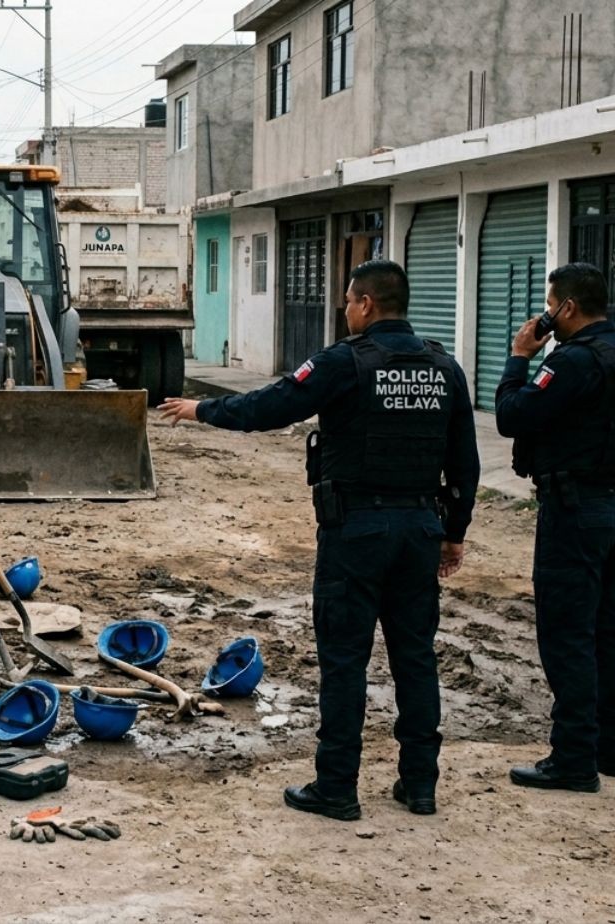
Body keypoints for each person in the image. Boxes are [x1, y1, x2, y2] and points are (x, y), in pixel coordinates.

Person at [159, 260, 480, 820]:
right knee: (416, 659)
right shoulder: (443, 367)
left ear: (366, 305)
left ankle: (336, 786)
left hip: (356, 531)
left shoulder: (344, 362)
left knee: (345, 661)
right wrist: (453, 534)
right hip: (418, 531)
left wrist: (201, 409)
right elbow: (465, 464)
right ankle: (420, 784)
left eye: (349, 301)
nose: (346, 311)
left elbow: (270, 405)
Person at [494, 262, 615, 792]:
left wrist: (519, 357)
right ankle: (611, 750)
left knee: (567, 634)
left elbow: (512, 415)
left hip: (577, 509)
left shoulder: (573, 362)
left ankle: (572, 758)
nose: (547, 315)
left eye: (550, 305)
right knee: (605, 630)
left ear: (565, 307)